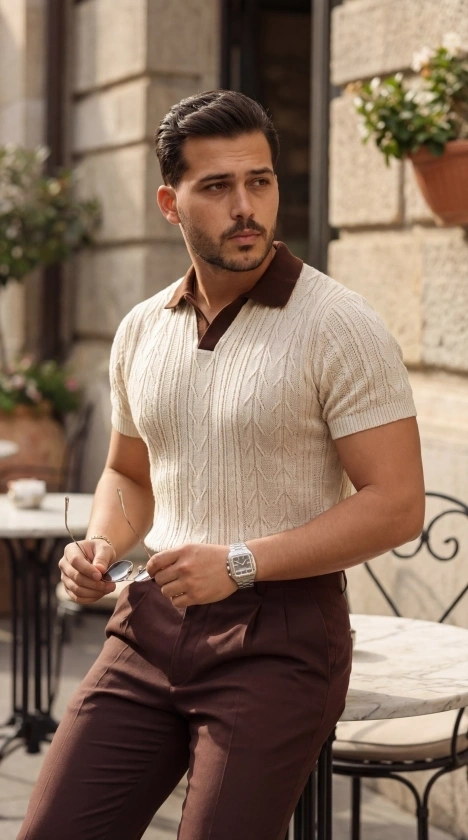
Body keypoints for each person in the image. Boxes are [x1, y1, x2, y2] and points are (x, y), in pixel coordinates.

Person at [19, 90, 425, 840]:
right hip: (148, 624)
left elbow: (397, 503)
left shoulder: (340, 324)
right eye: (216, 187)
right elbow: (129, 474)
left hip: (280, 642)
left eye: (259, 181)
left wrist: (240, 563)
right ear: (170, 204)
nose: (245, 207)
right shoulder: (141, 329)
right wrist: (101, 545)